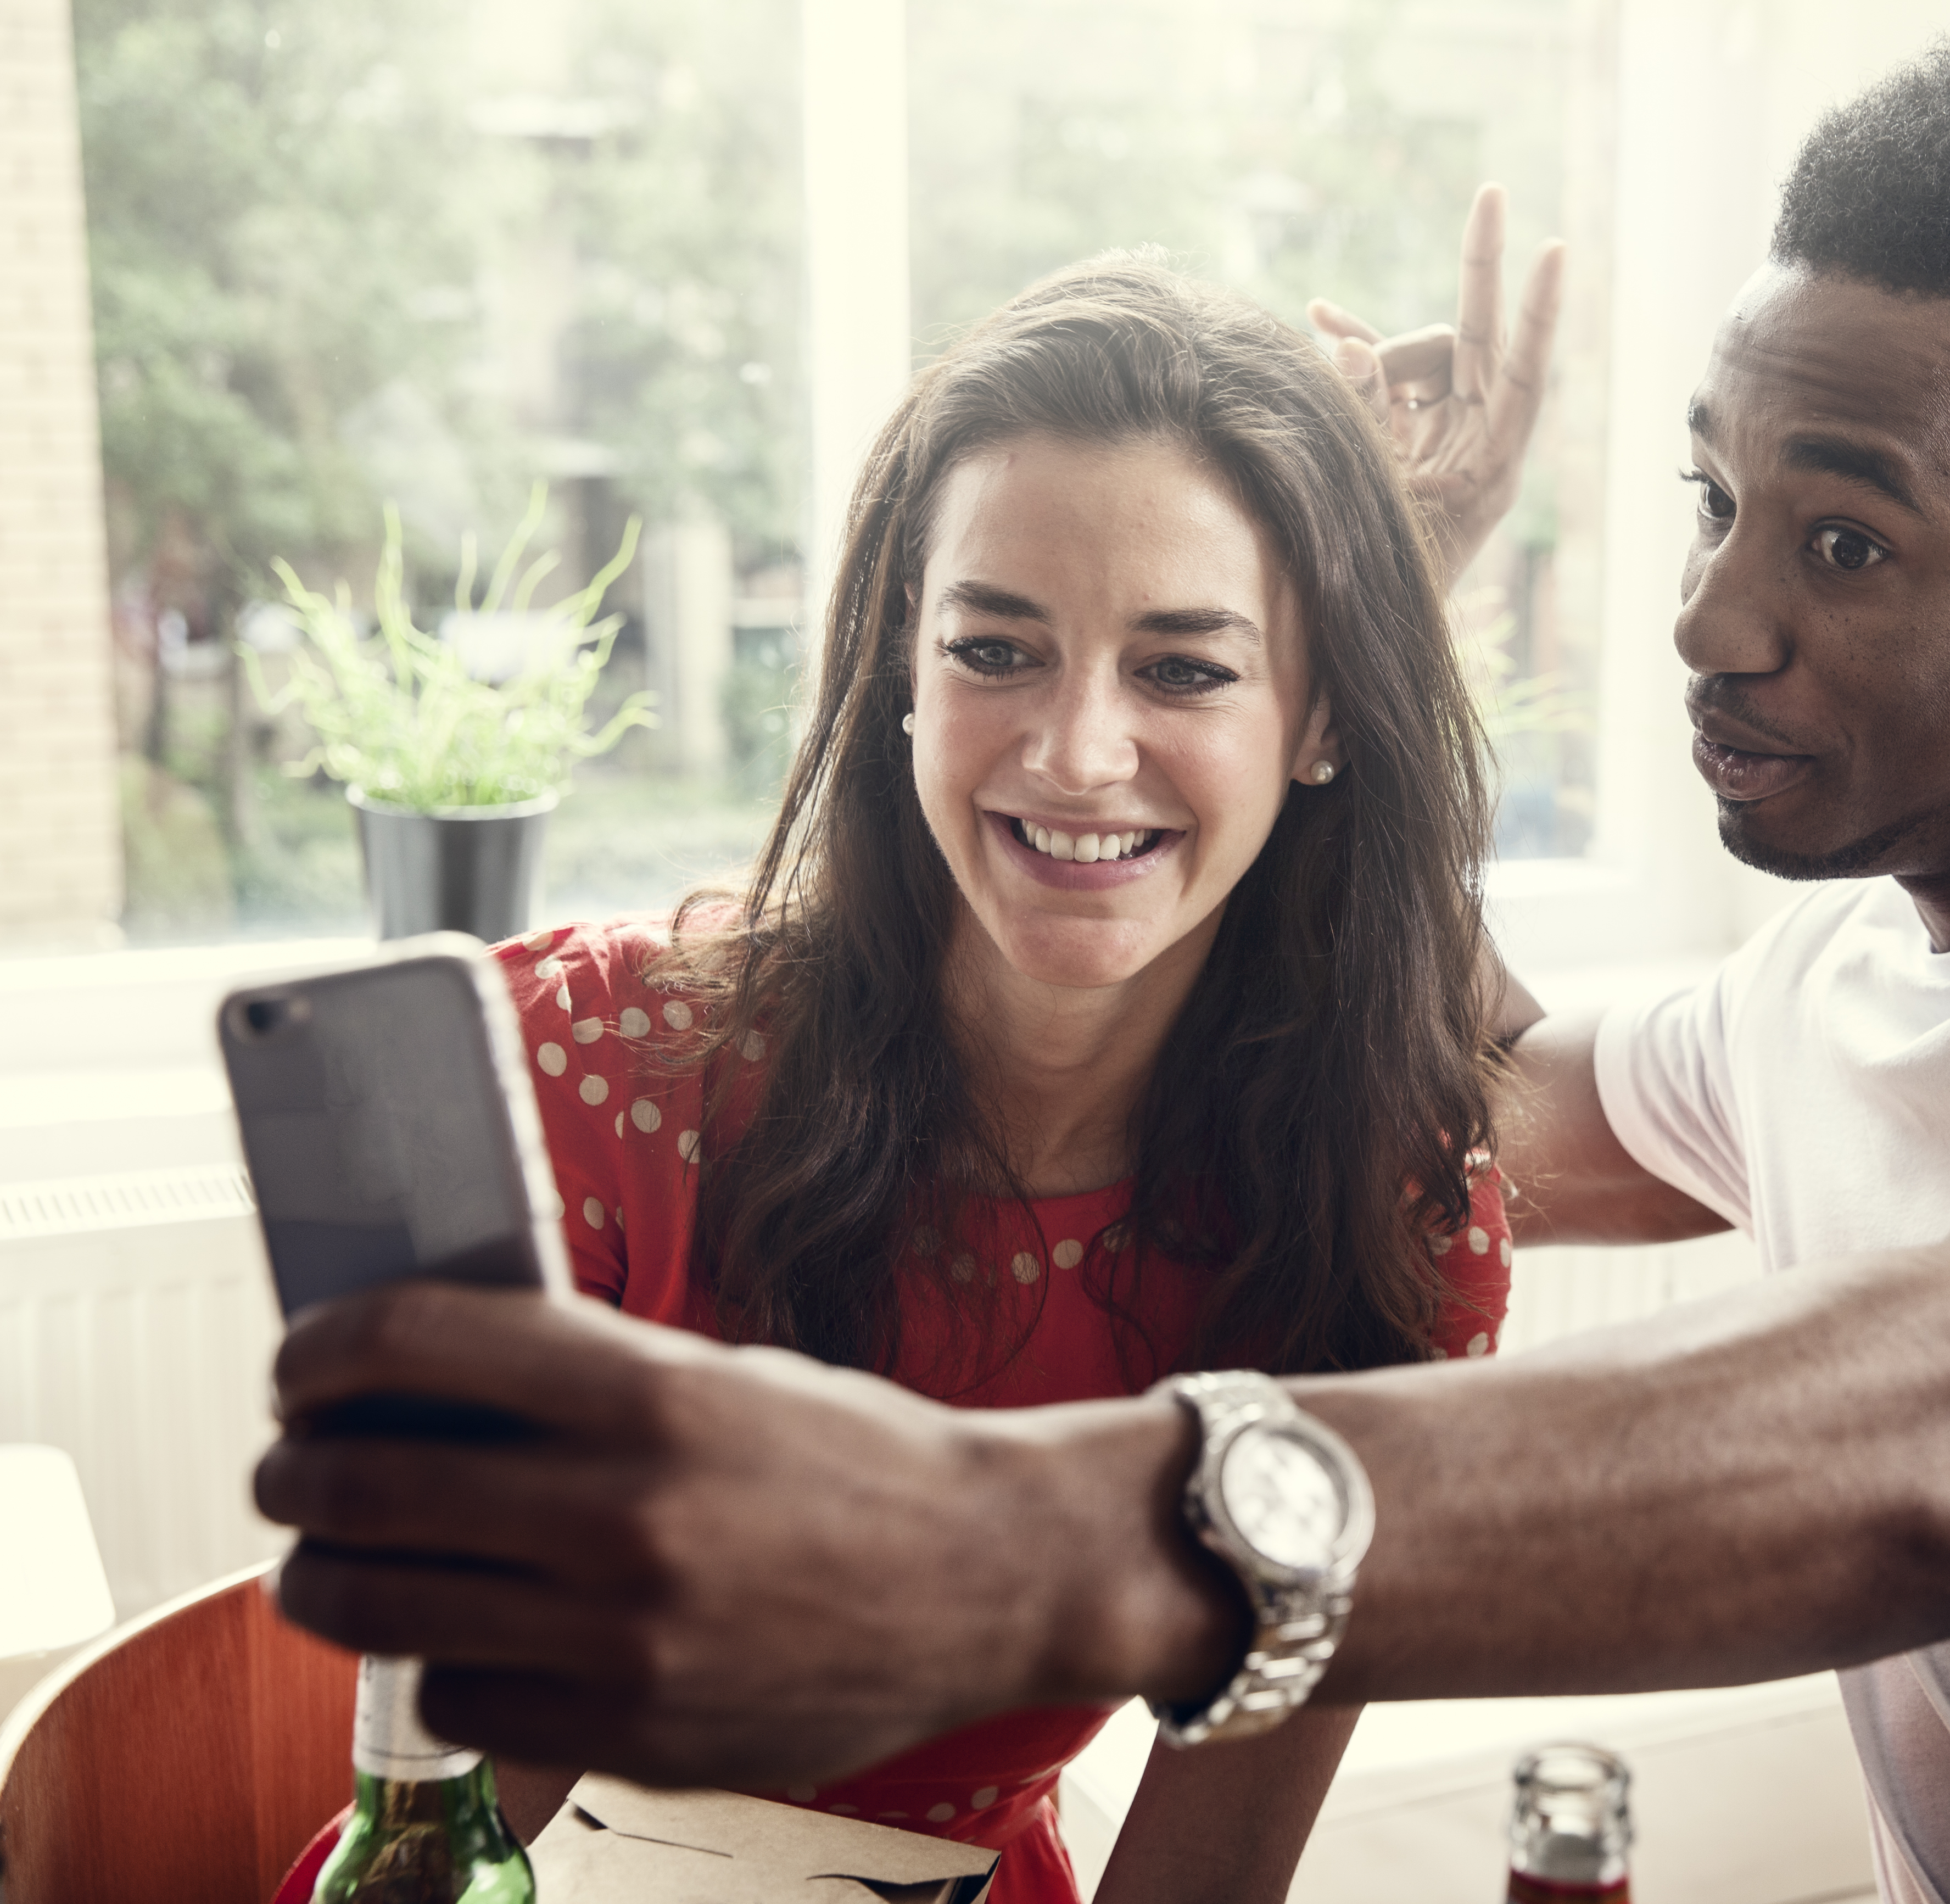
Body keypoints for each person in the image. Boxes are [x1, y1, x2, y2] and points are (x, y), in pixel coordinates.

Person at [256, 43, 1950, 1902]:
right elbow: (1406, 1064)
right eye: (1712, 501)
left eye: (1840, 540)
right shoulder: (1809, 1006)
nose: (1708, 615)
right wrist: (1361, 621)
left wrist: (1014, 1539)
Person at [278, 254, 1560, 1902]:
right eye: (995, 649)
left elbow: (1211, 1867)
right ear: (902, 666)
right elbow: (462, 1818)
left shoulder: (1388, 1225)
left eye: (1184, 668)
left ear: (1322, 721)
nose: (1077, 752)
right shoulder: (588, 1078)